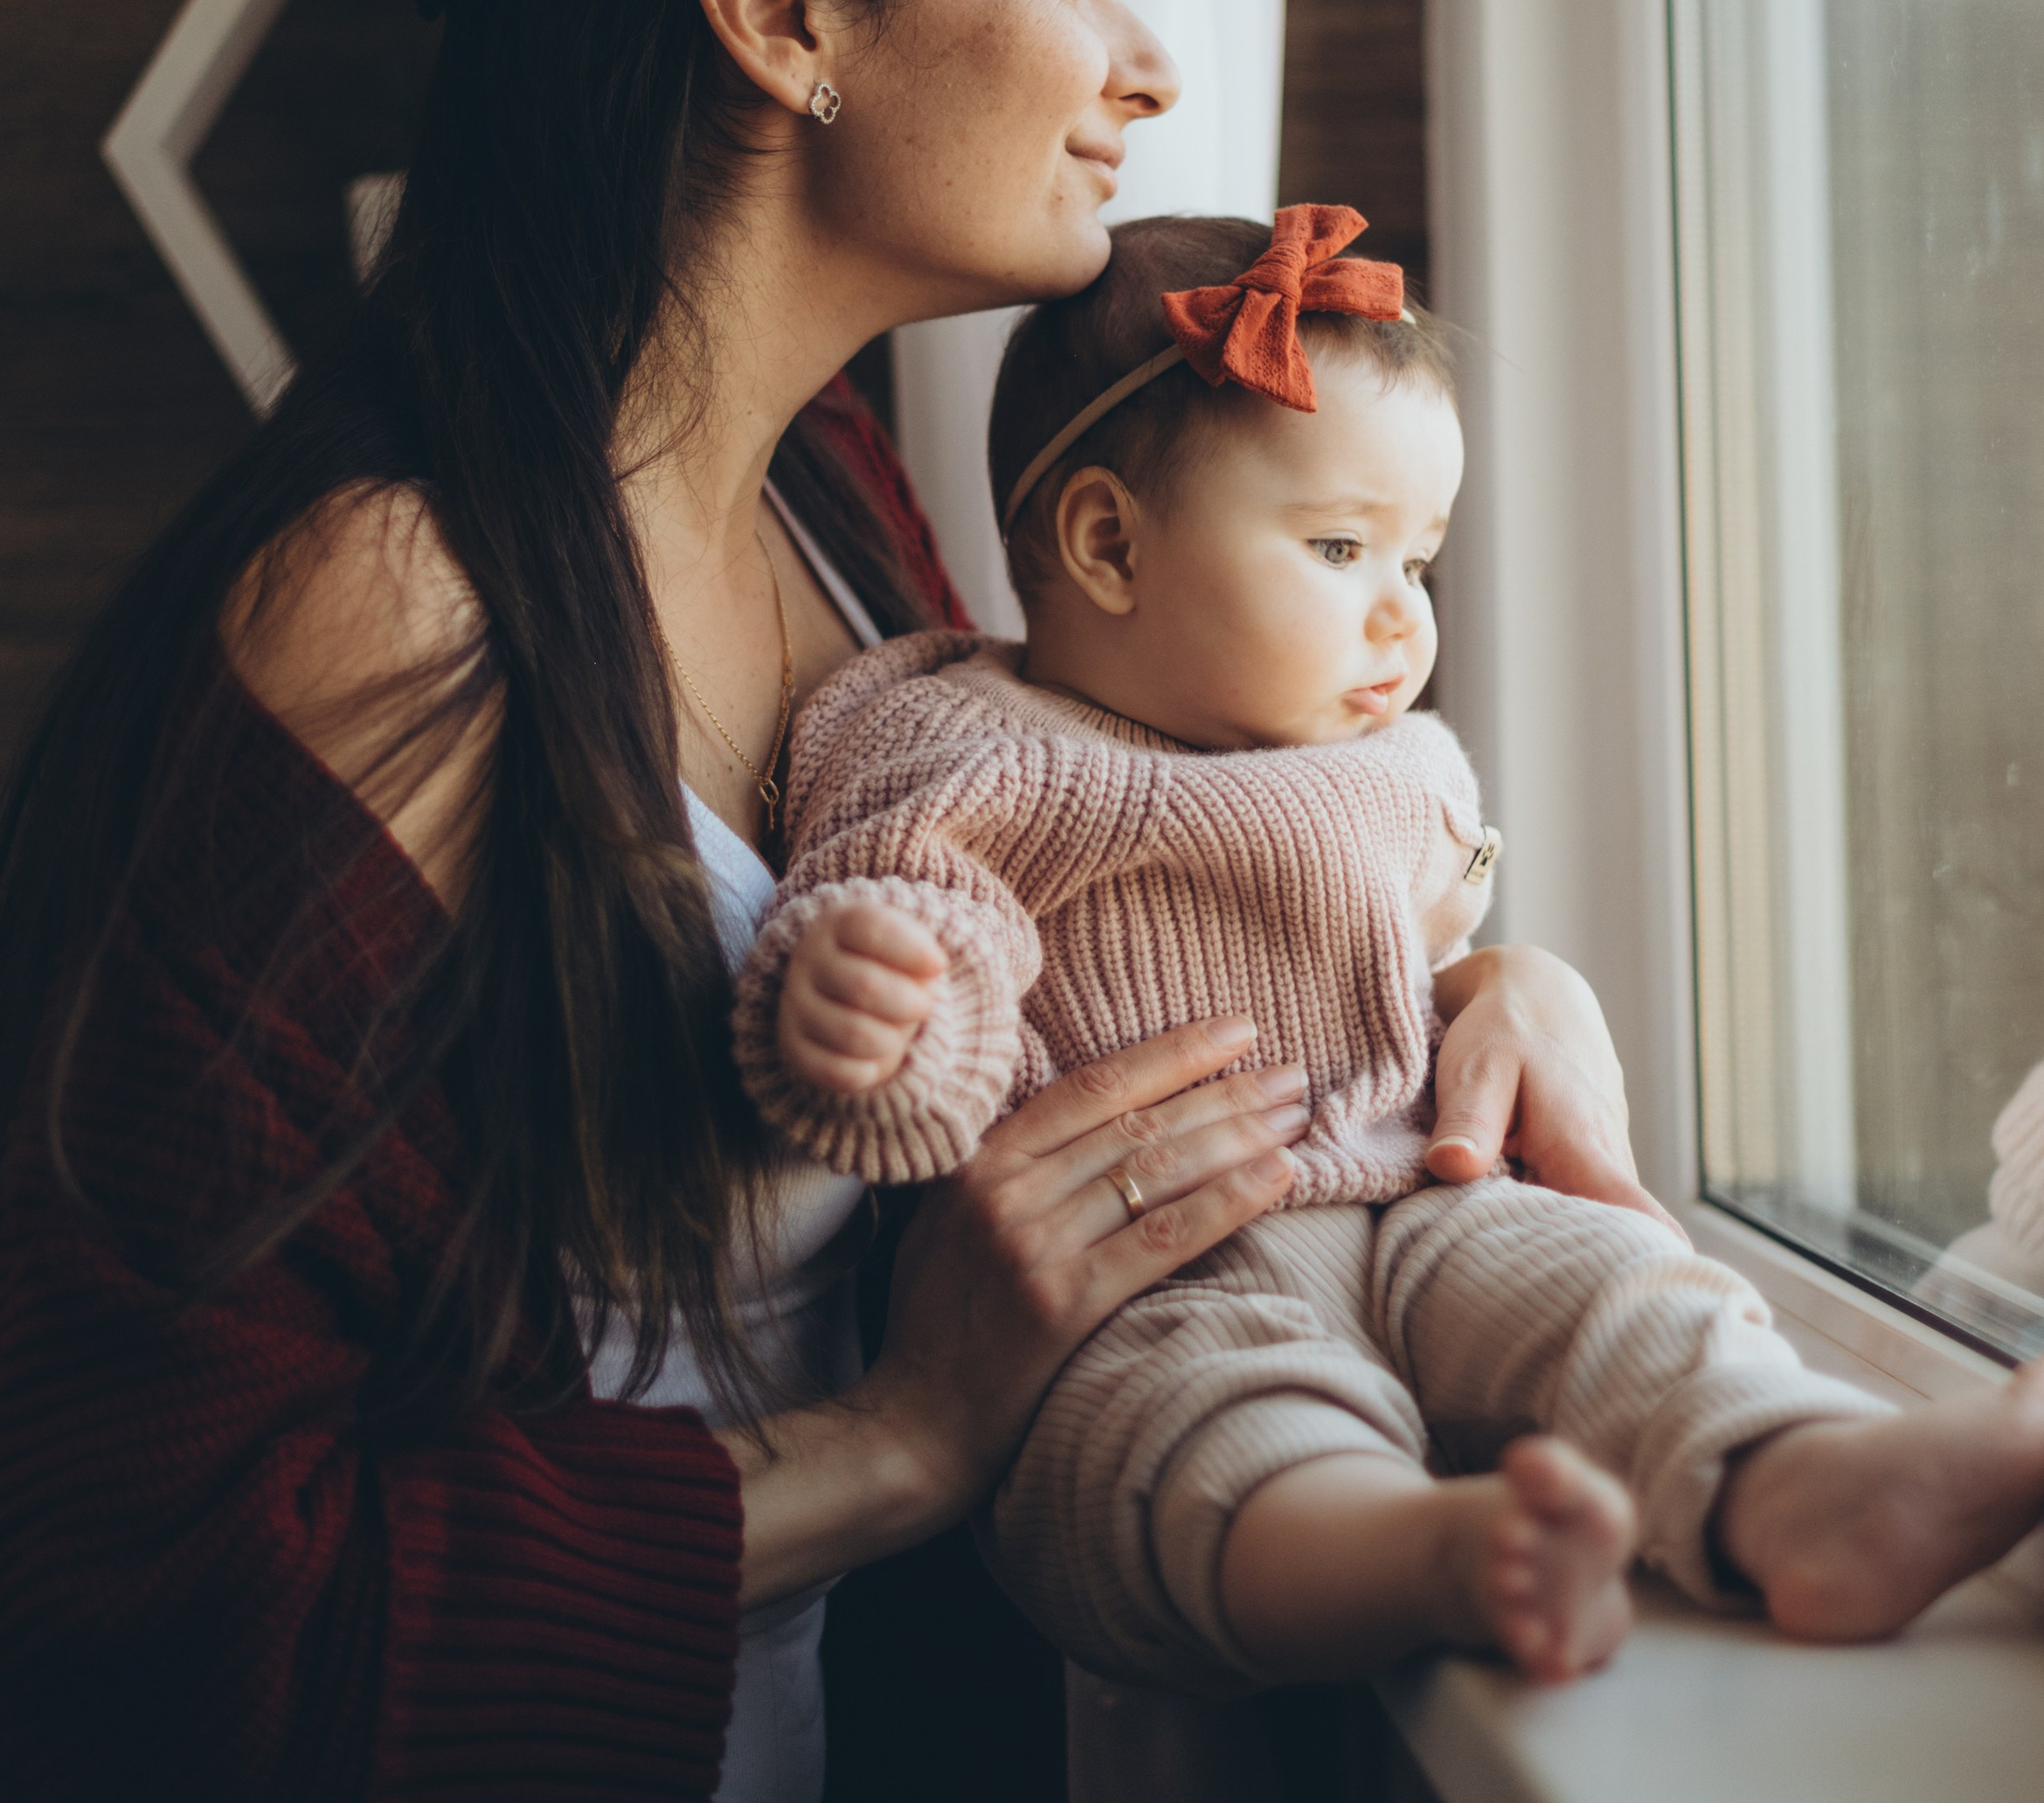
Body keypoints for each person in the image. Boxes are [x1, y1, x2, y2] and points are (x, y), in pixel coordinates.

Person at [0, 0, 1677, 1803]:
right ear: (780, 11)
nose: (1148, 55)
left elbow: (1087, 910)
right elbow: (129, 1602)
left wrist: (1467, 979)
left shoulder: (843, 523)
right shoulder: (402, 618)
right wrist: (914, 1428)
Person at [738, 206, 2044, 1696]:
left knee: (1619, 1286)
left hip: (1428, 1196)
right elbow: (920, 921)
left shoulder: (1387, 758)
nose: (1402, 620)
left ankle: (1800, 1482)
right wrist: (869, 1010)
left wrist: (1501, 973)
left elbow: (1433, 939)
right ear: (1108, 543)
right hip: (1140, 1271)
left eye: (1419, 561)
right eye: (1342, 547)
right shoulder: (963, 736)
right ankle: (1422, 1557)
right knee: (1187, 1437)